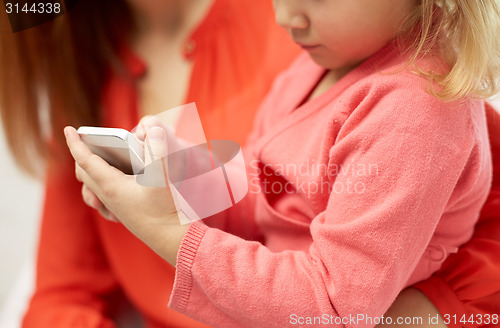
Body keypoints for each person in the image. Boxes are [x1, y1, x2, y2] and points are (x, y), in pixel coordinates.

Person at [1, 0, 499, 327]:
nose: (285, 18)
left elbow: (332, 306)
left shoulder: (415, 106)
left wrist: (168, 230)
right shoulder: (320, 60)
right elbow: (265, 198)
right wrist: (176, 184)